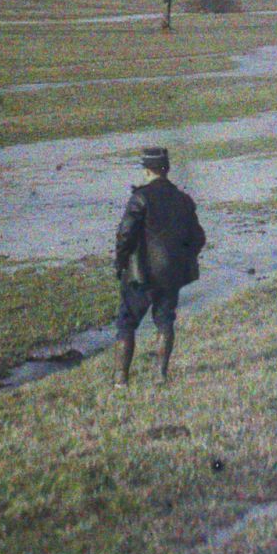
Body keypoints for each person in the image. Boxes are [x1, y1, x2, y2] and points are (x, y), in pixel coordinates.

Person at [112, 145, 205, 386]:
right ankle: (160, 375)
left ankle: (120, 380)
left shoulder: (140, 198)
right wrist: (180, 259)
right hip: (171, 276)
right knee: (165, 322)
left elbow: (124, 235)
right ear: (167, 169)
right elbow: (198, 238)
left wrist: (120, 263)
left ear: (147, 170)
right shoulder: (184, 200)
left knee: (126, 323)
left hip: (140, 276)